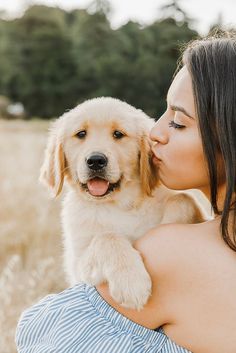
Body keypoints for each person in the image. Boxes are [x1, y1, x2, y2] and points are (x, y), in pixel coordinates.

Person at [16, 33, 236, 353]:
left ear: (228, 138)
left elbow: (46, 340)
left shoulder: (172, 250)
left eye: (177, 122)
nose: (154, 133)